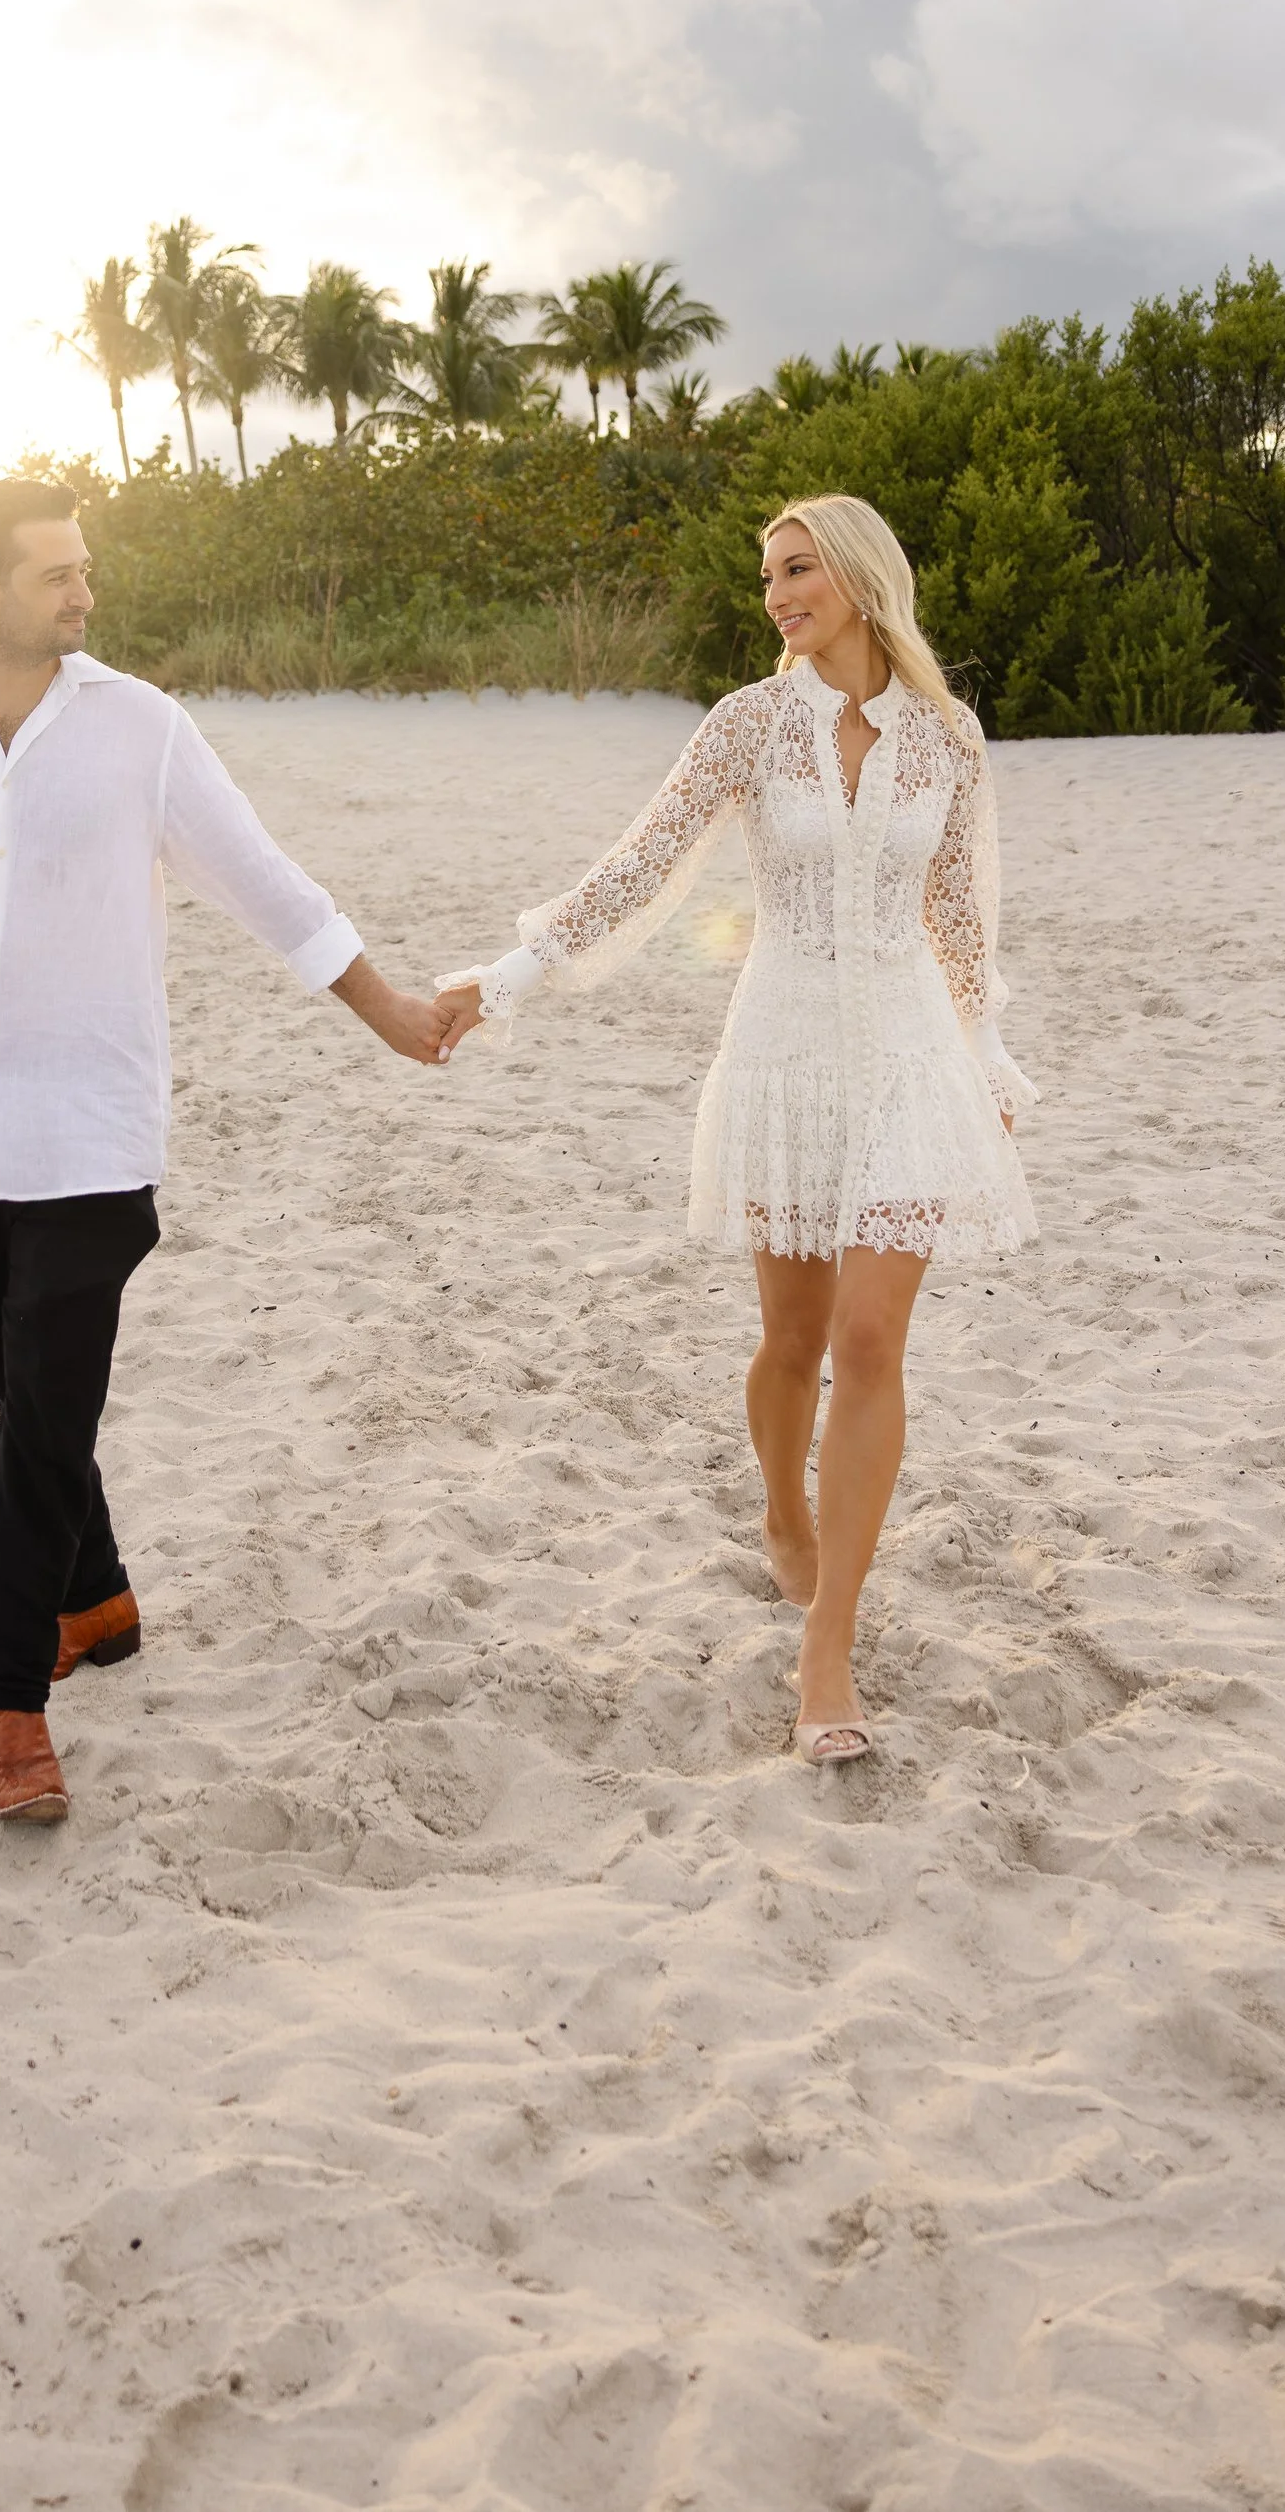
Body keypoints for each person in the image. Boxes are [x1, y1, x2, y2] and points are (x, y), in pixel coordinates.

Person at [0, 478, 447, 1827]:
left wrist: (386, 1008)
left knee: (45, 1407)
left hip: (91, 1130)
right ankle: (91, 1598)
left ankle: (2, 1707)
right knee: (34, 1399)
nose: (84, 593)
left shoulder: (141, 729)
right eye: (56, 575)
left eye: (86, 570)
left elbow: (262, 880)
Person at [431, 492, 1035, 1763]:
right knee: (794, 1337)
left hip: (913, 1058)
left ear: (861, 578)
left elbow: (961, 917)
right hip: (787, 1053)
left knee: (872, 1340)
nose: (775, 595)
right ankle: (780, 1506)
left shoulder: (947, 736)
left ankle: (830, 1647)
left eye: (796, 569)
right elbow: (643, 865)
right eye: (766, 577)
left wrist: (984, 1058)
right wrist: (508, 977)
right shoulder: (748, 726)